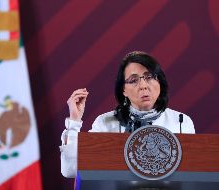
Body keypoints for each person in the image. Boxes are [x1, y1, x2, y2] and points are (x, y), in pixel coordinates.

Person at [59, 51, 195, 178]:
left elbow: (194, 174)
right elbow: (70, 170)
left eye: (149, 77)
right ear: (123, 90)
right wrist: (74, 122)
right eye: (133, 80)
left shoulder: (181, 122)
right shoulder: (106, 122)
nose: (143, 85)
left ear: (159, 81)